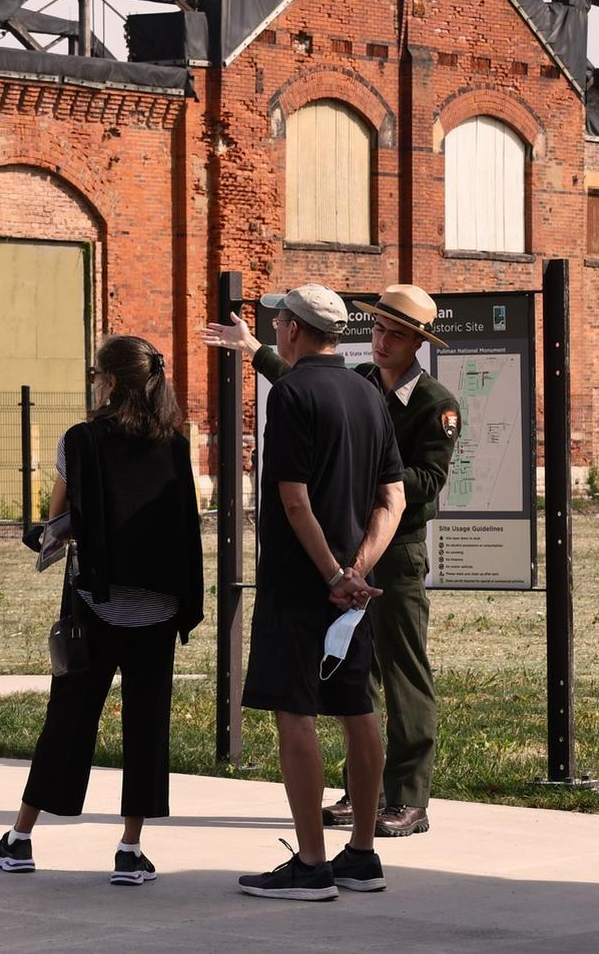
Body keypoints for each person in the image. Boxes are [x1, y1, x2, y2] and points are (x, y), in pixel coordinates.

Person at [204, 284, 459, 838]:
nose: (382, 341)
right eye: (378, 330)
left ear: (416, 342)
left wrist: (361, 471)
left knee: (403, 669)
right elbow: (303, 382)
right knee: (352, 673)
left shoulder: (435, 404)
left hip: (395, 551)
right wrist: (253, 347)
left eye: (395, 334)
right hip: (347, 545)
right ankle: (361, 791)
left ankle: (409, 795)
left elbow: (428, 483)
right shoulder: (361, 383)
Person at [0, 335, 204, 885]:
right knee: (147, 725)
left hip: (94, 602)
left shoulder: (80, 441)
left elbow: (59, 517)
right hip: (158, 606)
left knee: (68, 719)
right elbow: (185, 524)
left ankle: (21, 838)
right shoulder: (175, 445)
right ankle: (130, 848)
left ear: (106, 381)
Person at [235, 283, 405, 901]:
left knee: (296, 713)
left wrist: (333, 574)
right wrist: (357, 572)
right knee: (357, 707)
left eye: (280, 321)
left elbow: (293, 497)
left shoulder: (293, 394)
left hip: (300, 584)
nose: (277, 329)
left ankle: (310, 863)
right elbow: (394, 497)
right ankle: (362, 852)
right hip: (352, 592)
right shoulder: (367, 391)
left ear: (293, 329)